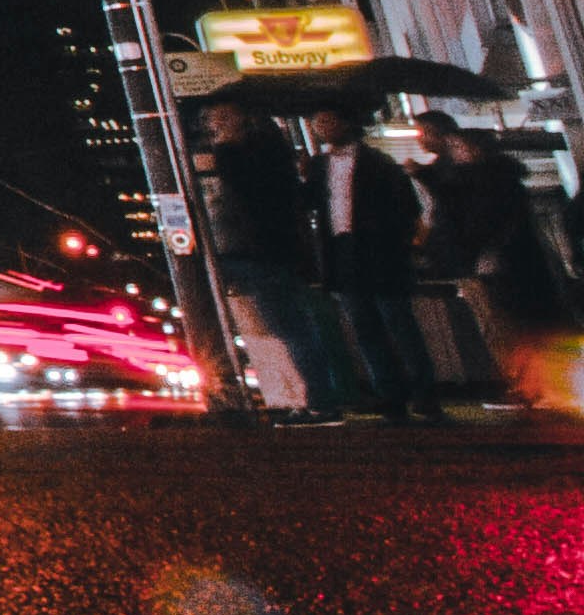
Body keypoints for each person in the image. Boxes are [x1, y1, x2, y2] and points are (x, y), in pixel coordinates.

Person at [198, 103, 354, 421]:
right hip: (267, 252)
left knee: (287, 327)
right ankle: (308, 396)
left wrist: (224, 148)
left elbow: (243, 191)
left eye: (219, 117)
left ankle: (316, 399)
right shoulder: (272, 157)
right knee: (285, 326)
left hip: (257, 253)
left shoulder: (246, 158)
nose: (212, 124)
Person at [424, 120, 573, 410]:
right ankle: (533, 384)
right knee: (514, 325)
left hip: (496, 265)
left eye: (458, 146)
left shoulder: (482, 184)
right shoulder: (491, 180)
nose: (452, 151)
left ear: (476, 149)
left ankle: (527, 386)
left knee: (506, 326)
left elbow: (479, 224)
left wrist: (480, 253)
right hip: (506, 264)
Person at [311, 107, 440, 422]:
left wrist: (390, 238)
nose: (321, 127)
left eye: (328, 119)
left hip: (378, 253)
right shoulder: (319, 166)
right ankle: (391, 396)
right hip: (344, 251)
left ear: (346, 123)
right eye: (318, 122)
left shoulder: (378, 164)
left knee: (398, 325)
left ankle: (423, 394)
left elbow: (405, 208)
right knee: (366, 327)